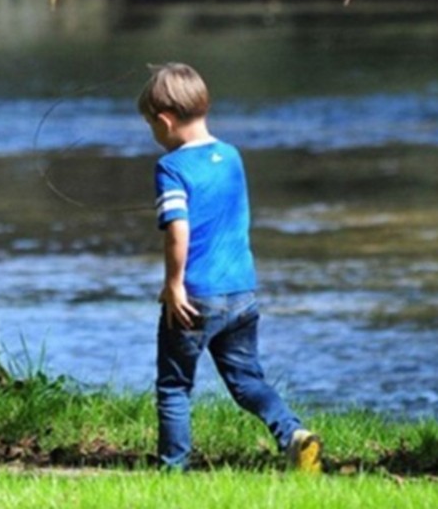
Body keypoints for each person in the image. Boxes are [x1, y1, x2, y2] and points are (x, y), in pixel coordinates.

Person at [137, 63, 321, 472]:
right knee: (247, 381)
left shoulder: (170, 168)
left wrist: (173, 285)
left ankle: (174, 469)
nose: (154, 135)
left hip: (196, 296)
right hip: (241, 292)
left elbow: (177, 232)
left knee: (174, 386)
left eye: (151, 126)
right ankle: (293, 434)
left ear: (165, 121)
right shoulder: (232, 156)